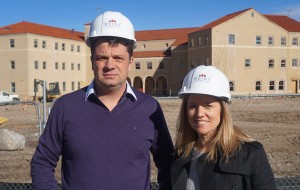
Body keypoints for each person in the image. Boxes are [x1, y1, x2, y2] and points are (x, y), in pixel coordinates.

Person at [30, 11, 174, 190]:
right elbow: (42, 162)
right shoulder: (65, 107)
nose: (110, 65)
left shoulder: (149, 108)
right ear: (92, 60)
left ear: (130, 62)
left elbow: (168, 163)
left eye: (118, 58)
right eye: (102, 57)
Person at [171, 65, 276, 190]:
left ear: (222, 110)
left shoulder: (250, 154)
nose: (199, 113)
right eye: (193, 106)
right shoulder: (179, 156)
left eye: (208, 106)